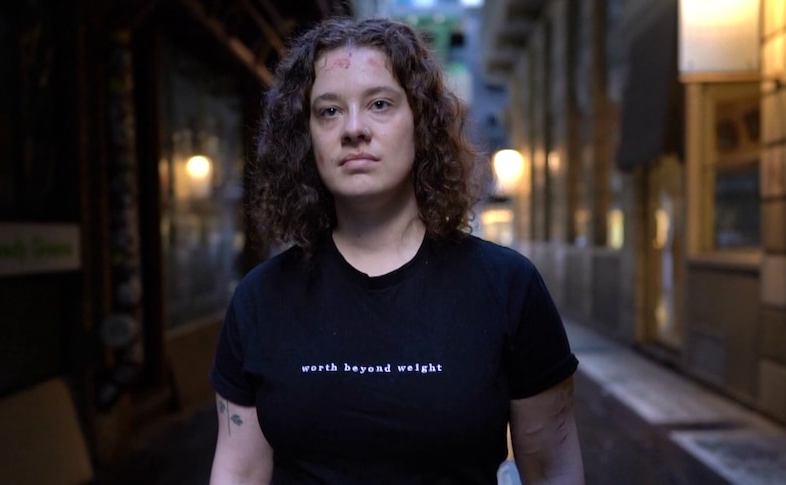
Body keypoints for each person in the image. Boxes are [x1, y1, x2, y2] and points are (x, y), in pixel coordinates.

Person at [208, 16, 584, 485]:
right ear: (307, 139)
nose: (354, 129)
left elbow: (552, 469)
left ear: (420, 123)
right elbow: (239, 473)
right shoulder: (260, 299)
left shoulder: (507, 286)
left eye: (380, 104)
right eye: (328, 111)